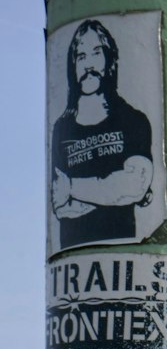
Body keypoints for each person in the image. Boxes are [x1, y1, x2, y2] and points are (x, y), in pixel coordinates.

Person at [49, 19, 155, 251]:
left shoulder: (132, 120)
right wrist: (108, 191)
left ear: (109, 60)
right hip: (75, 257)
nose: (88, 66)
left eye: (96, 54)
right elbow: (59, 204)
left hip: (124, 249)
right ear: (73, 65)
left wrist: (73, 188)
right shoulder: (61, 128)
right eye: (81, 57)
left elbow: (134, 185)